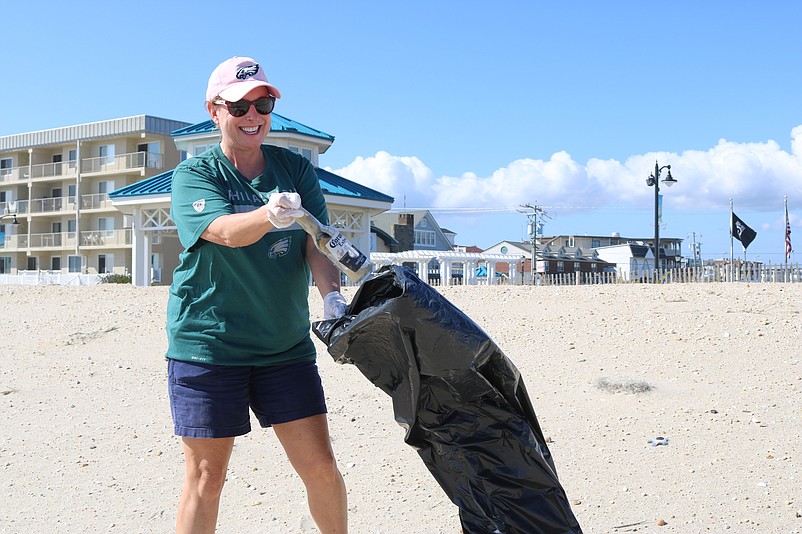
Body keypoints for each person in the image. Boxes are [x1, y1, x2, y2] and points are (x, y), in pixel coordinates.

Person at [165, 56, 349, 534]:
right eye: (240, 105)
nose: (253, 116)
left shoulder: (294, 169)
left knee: (321, 467)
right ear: (214, 110)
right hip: (208, 345)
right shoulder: (194, 175)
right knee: (206, 476)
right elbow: (223, 231)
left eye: (262, 103)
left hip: (283, 346)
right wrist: (268, 216)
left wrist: (332, 298)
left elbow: (317, 241)